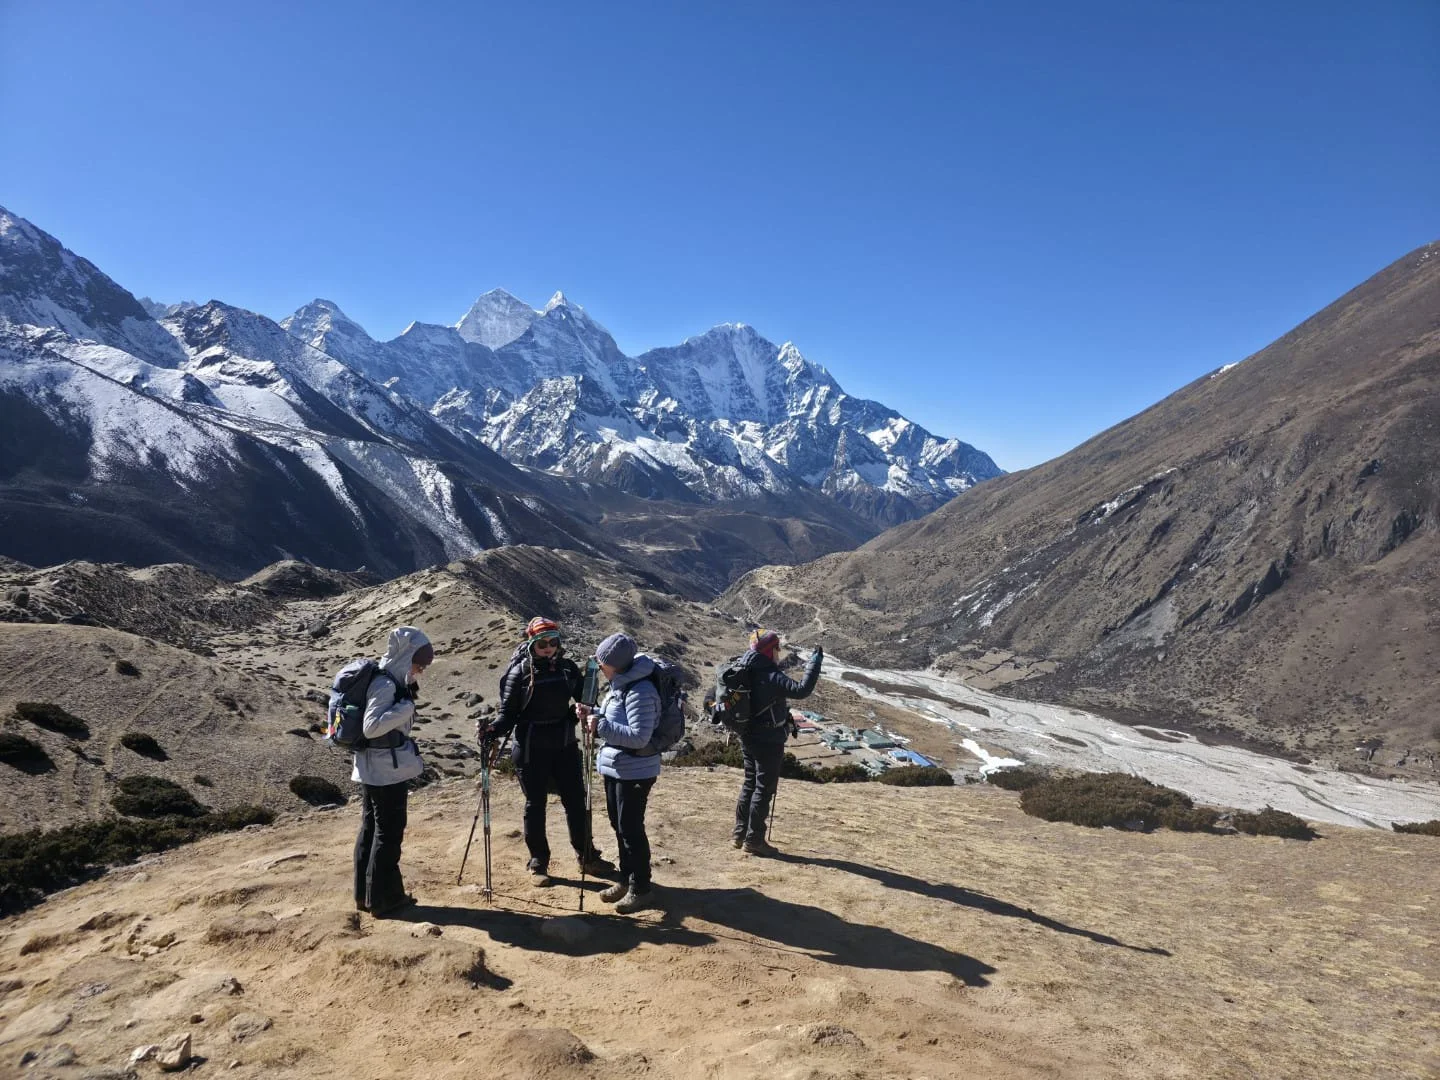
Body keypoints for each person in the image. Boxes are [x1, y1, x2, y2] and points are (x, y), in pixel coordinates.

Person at [481, 617, 614, 886]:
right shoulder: (520, 673)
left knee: (577, 802)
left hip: (564, 745)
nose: (549, 648)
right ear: (531, 644)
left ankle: (586, 856)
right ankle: (538, 862)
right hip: (531, 749)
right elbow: (508, 713)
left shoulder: (567, 669)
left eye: (553, 642)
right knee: (535, 805)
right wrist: (493, 730)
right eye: (542, 643)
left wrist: (582, 710)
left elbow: (584, 699)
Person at [579, 632, 662, 914]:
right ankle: (625, 879)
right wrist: (593, 713)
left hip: (635, 772)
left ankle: (642, 888)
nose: (598, 666)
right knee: (620, 825)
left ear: (614, 664)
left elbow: (639, 737)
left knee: (631, 830)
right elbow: (612, 720)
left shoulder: (640, 691)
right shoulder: (620, 685)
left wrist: (599, 726)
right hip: (617, 767)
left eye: (601, 662)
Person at [353, 625, 433, 917]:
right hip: (385, 770)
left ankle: (366, 896)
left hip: (375, 767)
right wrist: (405, 709)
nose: (420, 670)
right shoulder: (386, 685)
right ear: (406, 656)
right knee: (388, 833)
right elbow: (371, 727)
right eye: (418, 664)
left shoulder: (388, 680)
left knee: (372, 830)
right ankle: (385, 899)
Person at [732, 629, 822, 856]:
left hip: (747, 735)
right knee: (764, 788)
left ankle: (739, 833)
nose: (779, 653)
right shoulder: (770, 674)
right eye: (777, 649)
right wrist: (814, 663)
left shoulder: (741, 668)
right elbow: (801, 690)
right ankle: (754, 840)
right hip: (769, 739)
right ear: (769, 650)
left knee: (750, 783)